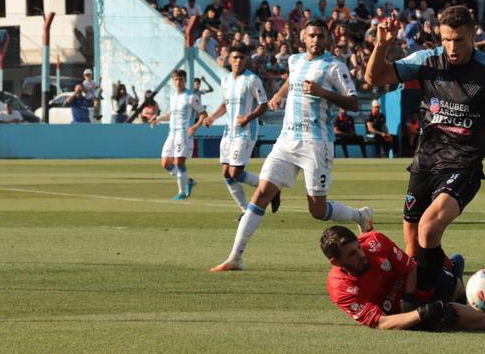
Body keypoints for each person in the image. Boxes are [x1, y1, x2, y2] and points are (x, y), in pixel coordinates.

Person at [365, 5, 485, 300]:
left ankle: (425, 300)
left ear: (472, 36)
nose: (452, 47)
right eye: (446, 40)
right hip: (424, 163)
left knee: (428, 229)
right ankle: (451, 277)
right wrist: (382, 44)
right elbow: (374, 78)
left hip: (463, 165)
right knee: (414, 248)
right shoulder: (426, 61)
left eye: (459, 40)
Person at [210, 22, 373, 272]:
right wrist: (278, 95)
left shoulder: (334, 67)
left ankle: (359, 215)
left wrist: (322, 92)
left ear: (327, 38)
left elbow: (353, 102)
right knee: (262, 192)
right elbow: (291, 80)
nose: (316, 39)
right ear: (303, 38)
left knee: (317, 210)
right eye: (311, 35)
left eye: (320, 36)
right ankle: (235, 257)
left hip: (316, 143)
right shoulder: (295, 60)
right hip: (286, 140)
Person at [322, 226, 485, 330]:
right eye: (352, 254)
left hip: (411, 288)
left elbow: (410, 268)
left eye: (358, 248)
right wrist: (422, 313)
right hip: (396, 314)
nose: (361, 254)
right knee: (443, 316)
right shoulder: (339, 288)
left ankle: (453, 275)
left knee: (442, 282)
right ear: (335, 262)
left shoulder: (374, 241)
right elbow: (381, 322)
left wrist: (409, 297)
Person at [201, 44, 270, 214]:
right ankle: (245, 210)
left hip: (246, 132)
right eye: (235, 58)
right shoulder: (225, 80)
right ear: (229, 60)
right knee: (226, 173)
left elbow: (264, 104)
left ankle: (271, 188)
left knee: (235, 172)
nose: (238, 61)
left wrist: (248, 118)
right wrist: (212, 117)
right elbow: (225, 104)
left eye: (241, 58)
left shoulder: (252, 80)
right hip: (229, 132)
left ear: (246, 59)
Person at [150, 70, 207, 199]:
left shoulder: (191, 96)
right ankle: (189, 181)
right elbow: (171, 115)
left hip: (183, 133)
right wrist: (158, 119)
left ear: (185, 80)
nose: (178, 82)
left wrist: (195, 127)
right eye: (176, 80)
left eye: (181, 79)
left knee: (179, 163)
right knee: (165, 163)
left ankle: (182, 192)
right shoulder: (173, 96)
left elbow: (203, 114)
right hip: (172, 133)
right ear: (173, 81)